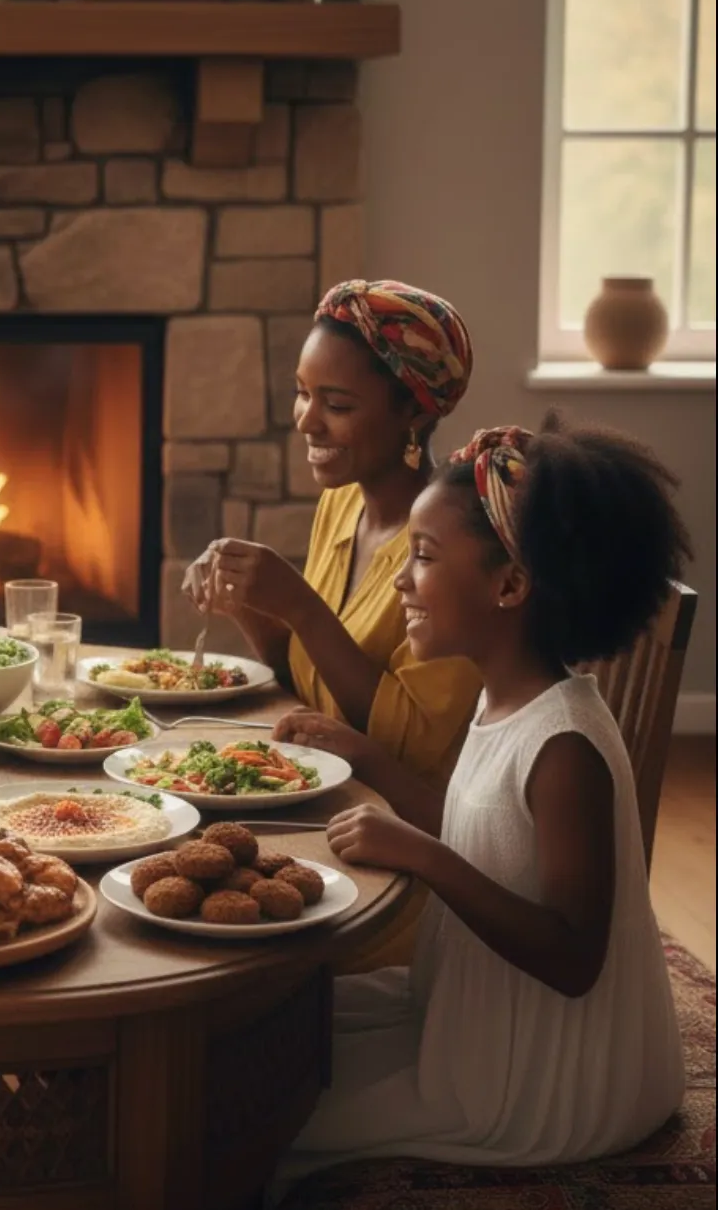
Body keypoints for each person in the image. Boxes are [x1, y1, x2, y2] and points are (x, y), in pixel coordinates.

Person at [274, 418, 687, 1193]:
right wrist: (367, 756)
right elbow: (479, 828)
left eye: (423, 559)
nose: (401, 580)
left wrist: (423, 858)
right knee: (281, 1035)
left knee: (270, 1125)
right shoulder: (504, 695)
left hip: (546, 1077)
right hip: (467, 1006)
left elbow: (573, 957)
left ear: (509, 586)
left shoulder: (566, 746)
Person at [183, 280, 484, 966]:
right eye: (302, 392)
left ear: (412, 409)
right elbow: (307, 684)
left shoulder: (449, 549)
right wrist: (248, 604)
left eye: (336, 403)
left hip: (400, 864)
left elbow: (397, 744)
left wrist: (296, 603)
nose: (306, 421)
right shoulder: (343, 507)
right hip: (326, 809)